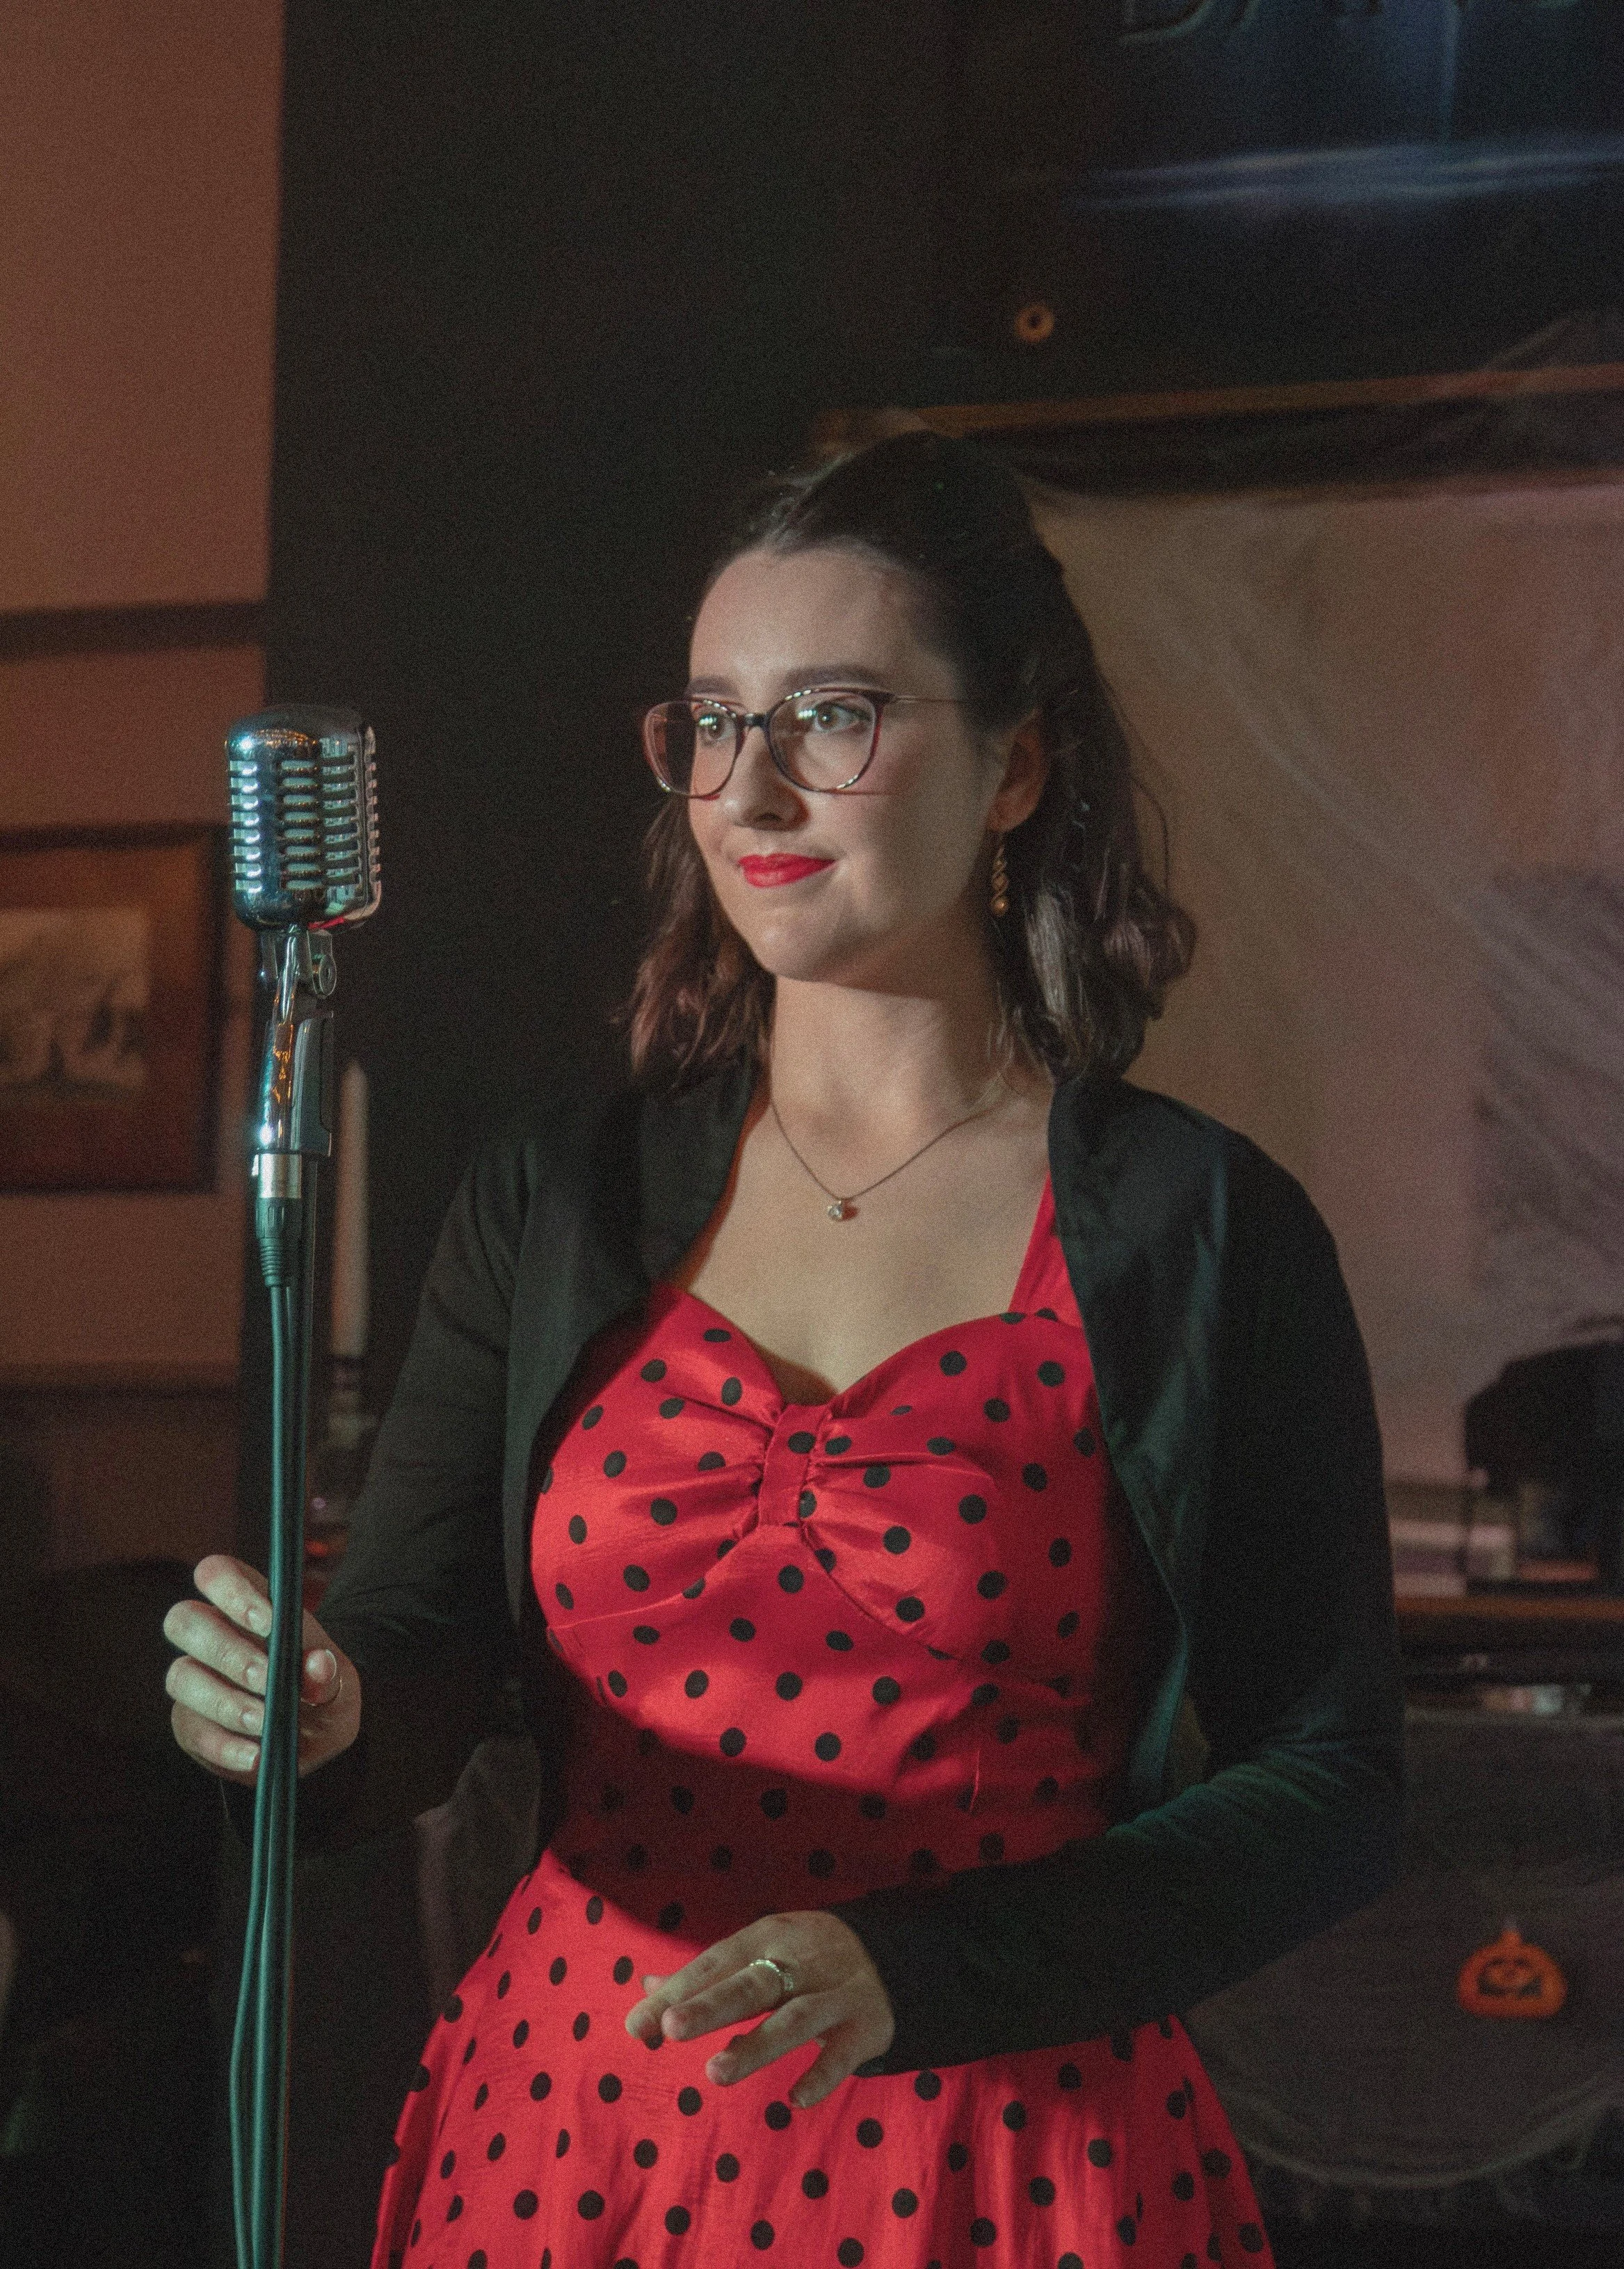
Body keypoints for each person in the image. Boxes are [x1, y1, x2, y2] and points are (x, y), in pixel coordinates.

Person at [165, 431, 1404, 2268]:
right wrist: (328, 1711)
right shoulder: (562, 1196)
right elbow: (421, 1642)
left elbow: (1322, 1780)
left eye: (833, 718)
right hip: (579, 2135)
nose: (752, 786)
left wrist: (930, 1971)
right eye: (711, 722)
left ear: (1018, 767)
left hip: (997, 2146)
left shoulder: (1193, 1226)